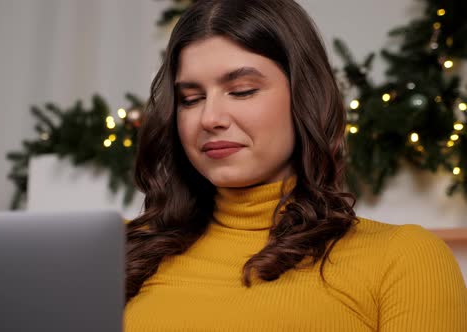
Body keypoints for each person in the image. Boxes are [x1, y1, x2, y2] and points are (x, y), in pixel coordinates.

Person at [124, 0, 467, 330]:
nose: (209, 118)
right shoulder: (128, 256)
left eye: (242, 91)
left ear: (305, 98)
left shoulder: (404, 259)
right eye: (191, 99)